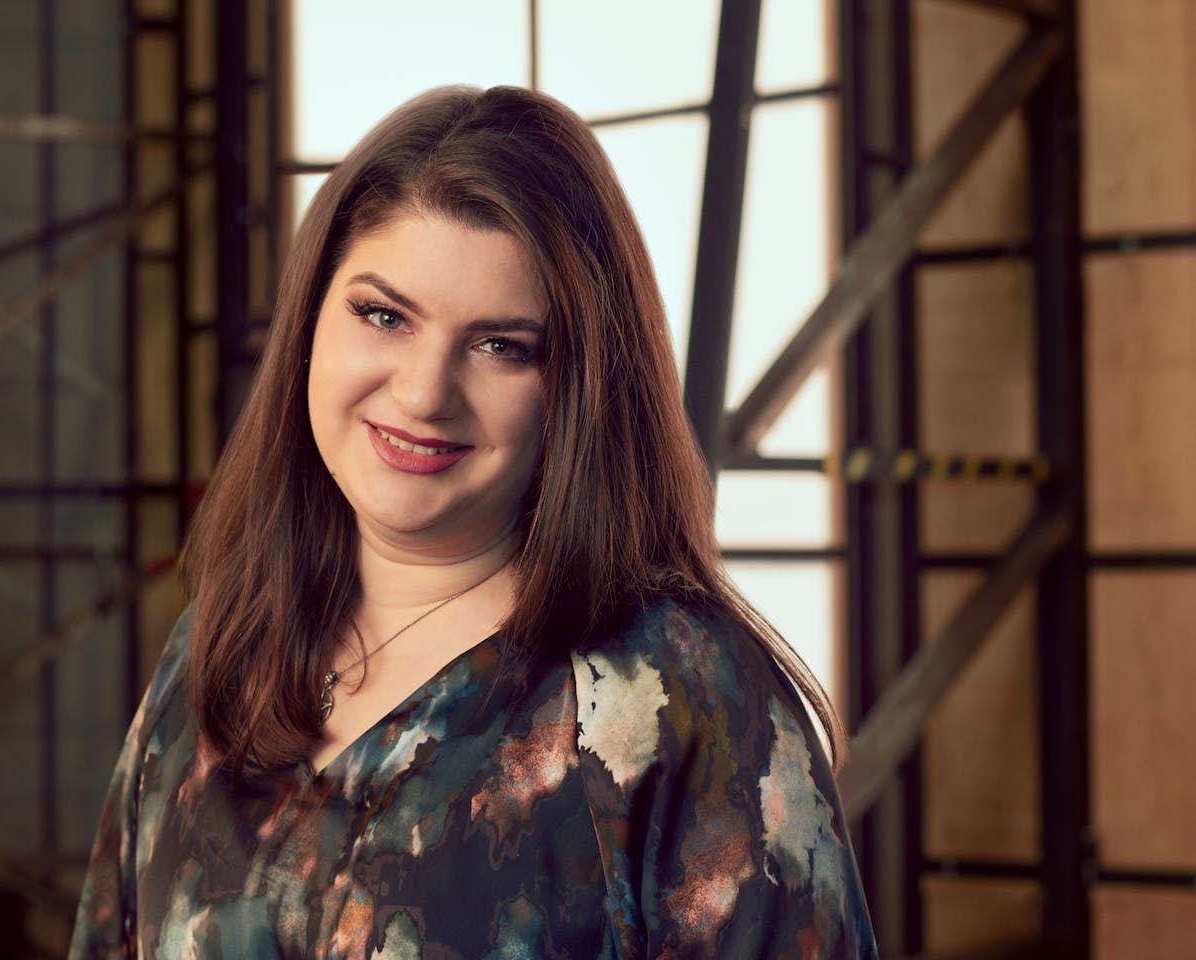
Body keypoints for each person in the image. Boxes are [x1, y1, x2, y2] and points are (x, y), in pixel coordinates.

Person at [68, 84, 878, 959]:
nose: (423, 393)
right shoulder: (217, 648)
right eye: (383, 315)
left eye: (502, 346)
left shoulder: (677, 700)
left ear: (579, 385)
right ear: (308, 323)